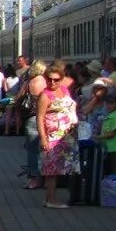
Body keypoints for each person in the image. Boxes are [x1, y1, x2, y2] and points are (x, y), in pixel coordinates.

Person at [37, 61, 79, 208]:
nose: (52, 82)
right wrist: (43, 138)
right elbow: (40, 118)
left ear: (61, 79)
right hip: (52, 136)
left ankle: (48, 198)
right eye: (49, 79)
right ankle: (52, 200)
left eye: (56, 79)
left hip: (67, 136)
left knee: (57, 168)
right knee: (51, 169)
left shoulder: (65, 90)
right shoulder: (45, 95)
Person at [19, 61, 48, 187]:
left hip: (31, 118)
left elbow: (18, 98)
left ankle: (34, 178)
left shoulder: (29, 82)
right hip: (45, 117)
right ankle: (46, 176)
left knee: (32, 150)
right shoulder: (45, 82)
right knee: (44, 149)